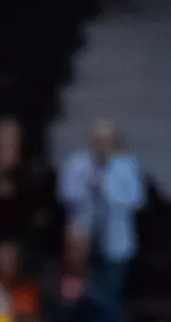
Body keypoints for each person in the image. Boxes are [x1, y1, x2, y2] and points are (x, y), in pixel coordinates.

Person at [56, 120, 144, 303]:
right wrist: (88, 188)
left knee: (110, 295)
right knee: (82, 296)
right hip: (82, 245)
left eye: (106, 141)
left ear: (113, 142)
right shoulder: (76, 164)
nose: (102, 145)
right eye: (97, 140)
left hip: (115, 245)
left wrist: (108, 193)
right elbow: (65, 194)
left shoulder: (126, 166)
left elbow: (137, 200)